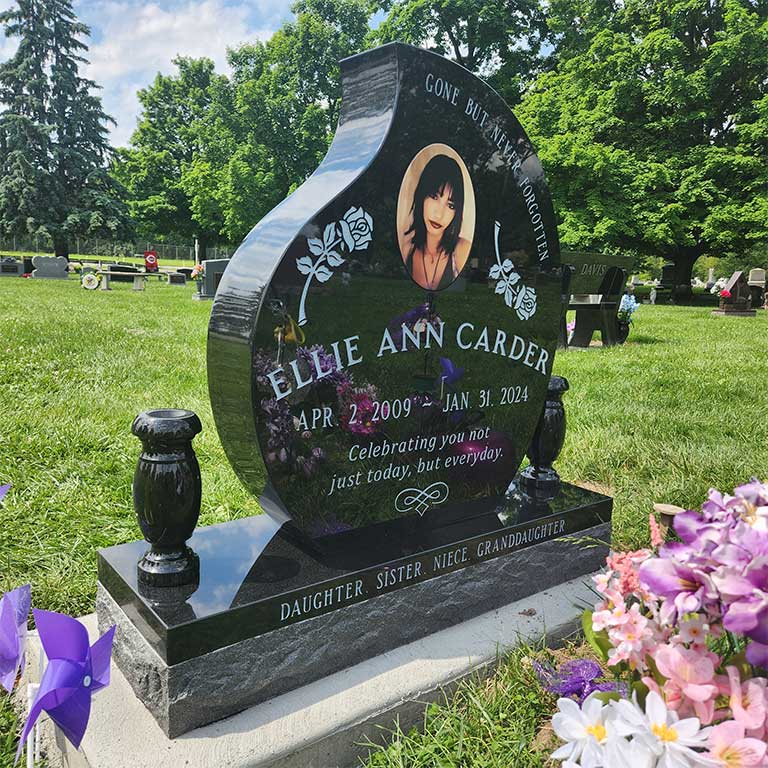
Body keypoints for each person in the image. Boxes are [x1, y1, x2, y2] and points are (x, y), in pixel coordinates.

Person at [402, 154, 471, 290]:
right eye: (434, 196)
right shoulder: (406, 249)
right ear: (422, 196)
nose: (439, 214)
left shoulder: (461, 250)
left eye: (451, 205)